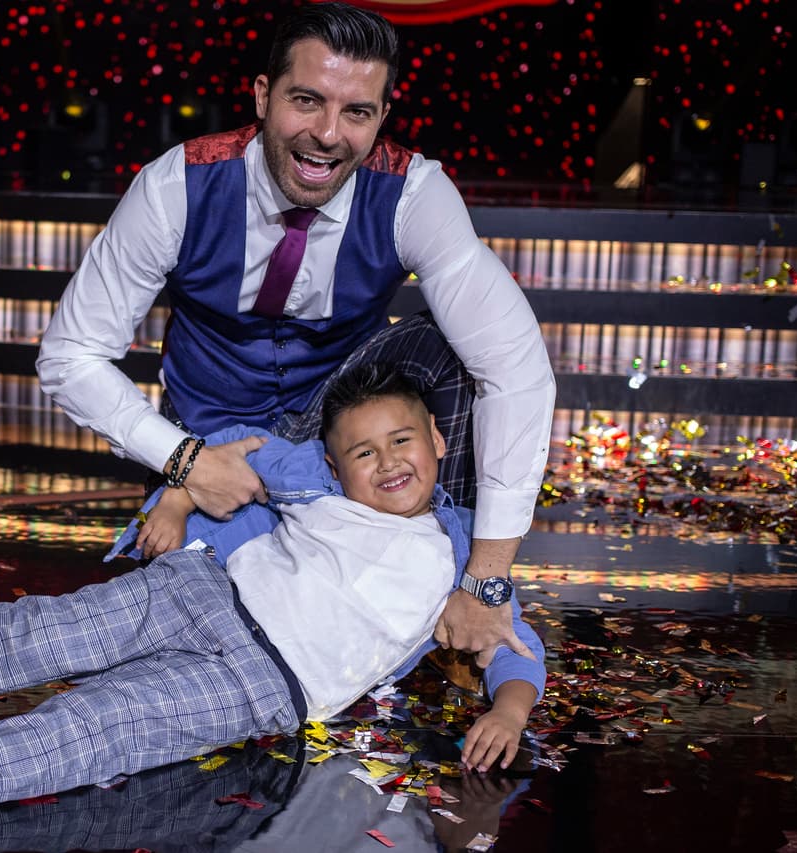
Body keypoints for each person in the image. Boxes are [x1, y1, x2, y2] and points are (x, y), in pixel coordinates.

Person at [0, 367, 545, 829]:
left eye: (403, 441)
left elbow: (518, 643)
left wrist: (509, 709)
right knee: (36, 633)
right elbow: (230, 447)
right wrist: (173, 494)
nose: (387, 462)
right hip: (200, 590)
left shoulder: (471, 554)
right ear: (337, 465)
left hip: (265, 685)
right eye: (363, 451)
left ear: (439, 439)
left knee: (104, 726)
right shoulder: (315, 479)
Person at [35, 1, 555, 663]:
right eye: (307, 100)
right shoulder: (177, 187)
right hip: (205, 435)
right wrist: (184, 460)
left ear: (381, 118)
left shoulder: (415, 193)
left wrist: (488, 576)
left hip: (341, 435)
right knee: (185, 636)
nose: (328, 135)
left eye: (357, 112)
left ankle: (458, 578)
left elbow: (518, 368)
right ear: (262, 94)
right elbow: (69, 353)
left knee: (456, 348)